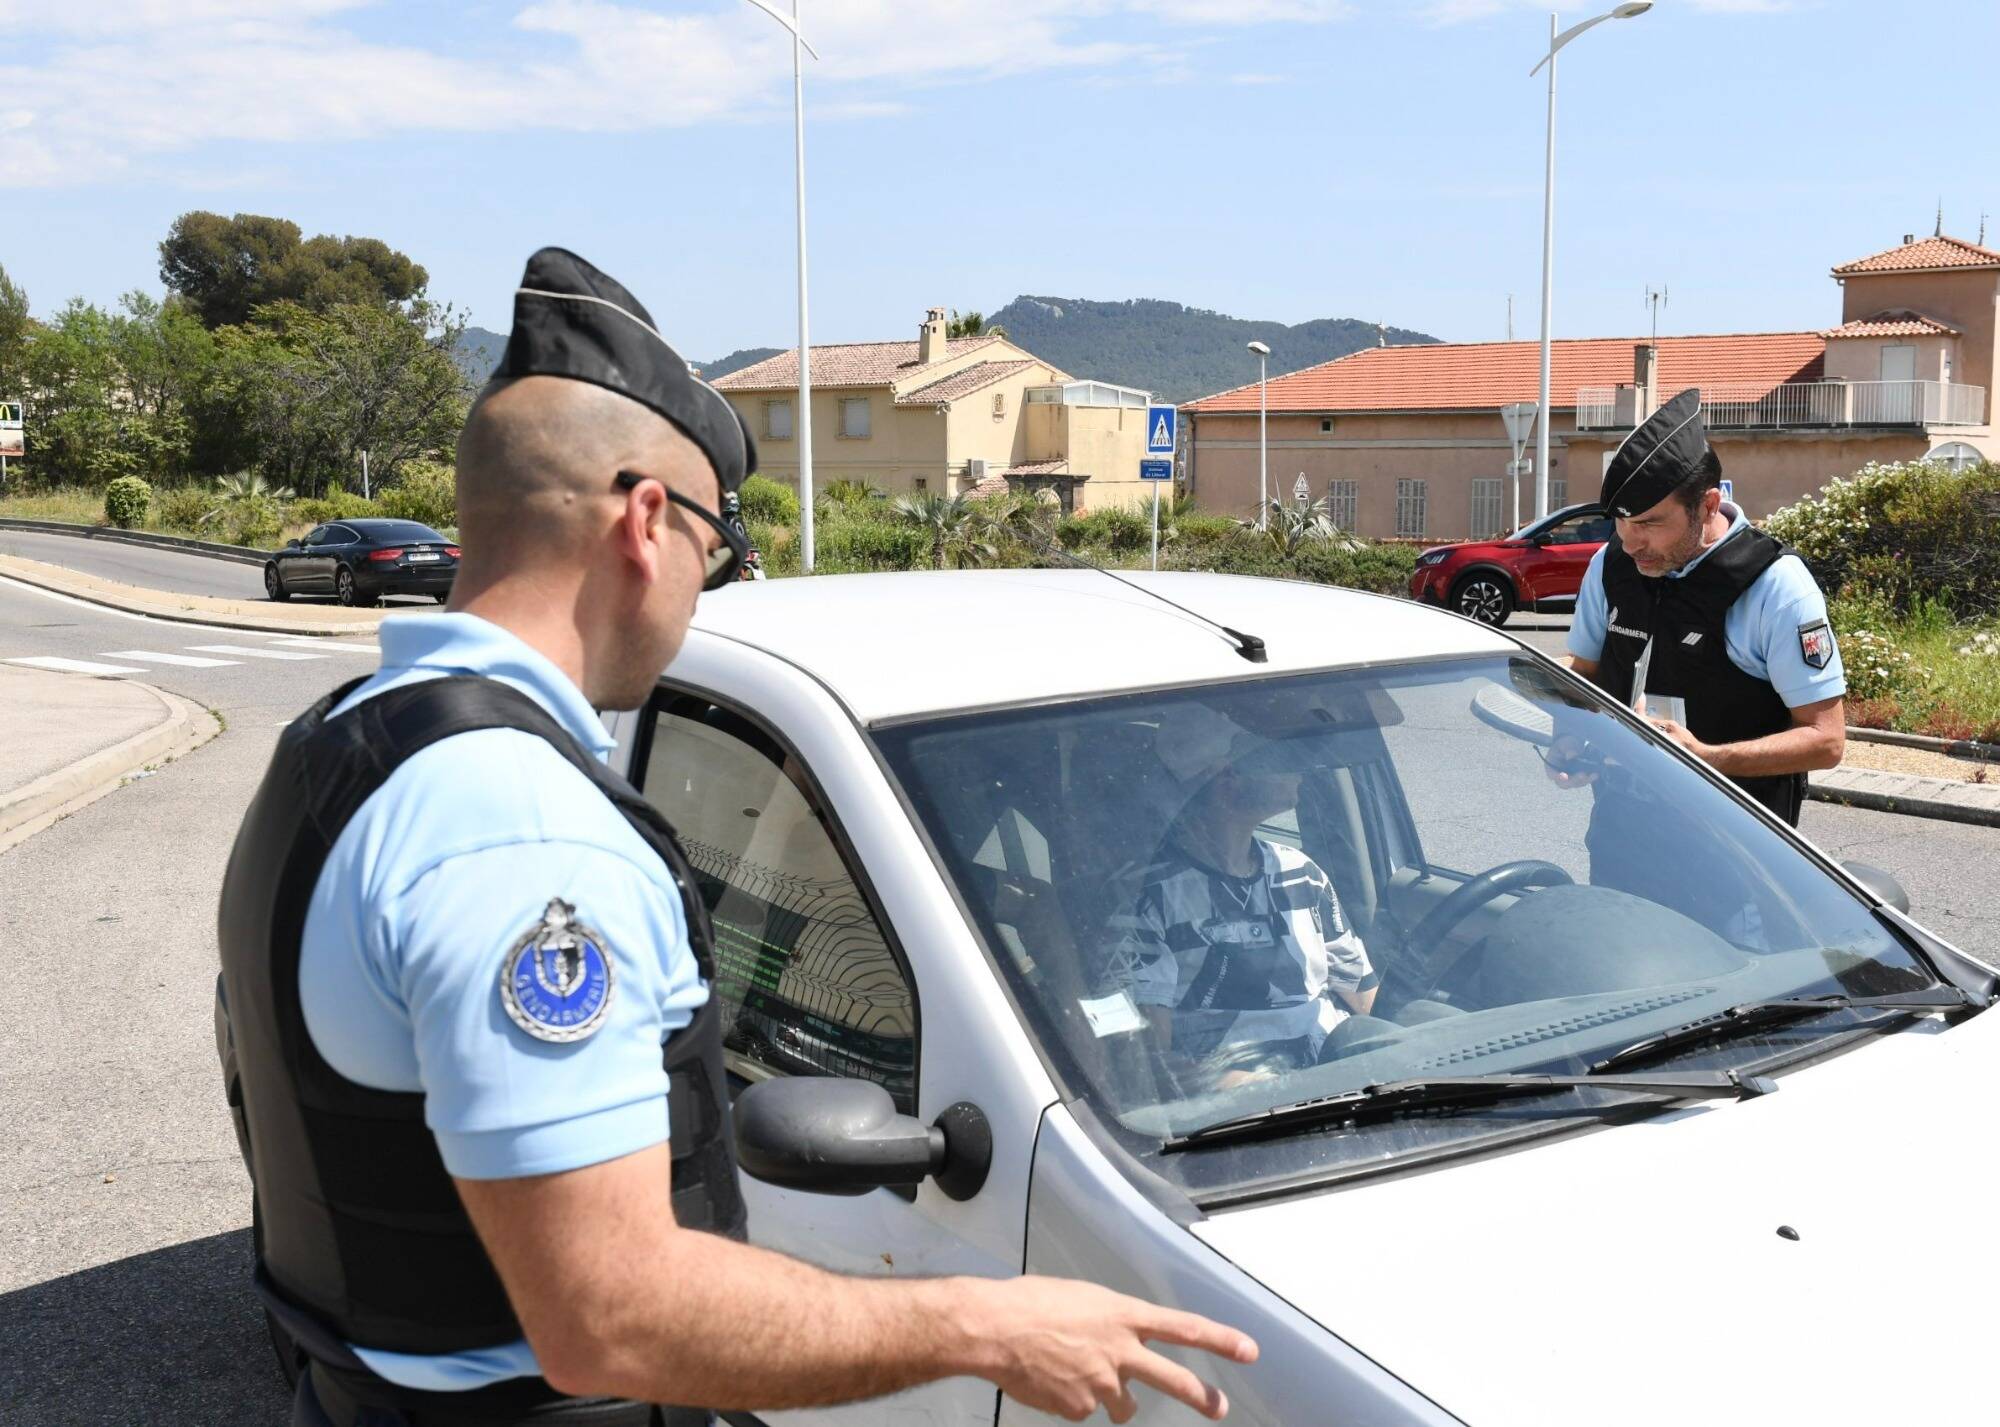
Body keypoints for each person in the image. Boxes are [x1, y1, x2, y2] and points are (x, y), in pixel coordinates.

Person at [216, 248, 1256, 1427]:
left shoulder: (348, 737)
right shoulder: (528, 838)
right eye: (713, 553)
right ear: (646, 521)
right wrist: (986, 1322)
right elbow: (608, 1312)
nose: (701, 591)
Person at [1556, 386, 1846, 827]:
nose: (1631, 542)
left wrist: (1707, 758)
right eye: (1620, 523)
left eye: (1650, 523)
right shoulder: (1609, 564)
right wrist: (1568, 740)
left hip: (1741, 851)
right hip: (1622, 830)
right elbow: (1585, 673)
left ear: (1707, 505)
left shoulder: (1774, 584)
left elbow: (1826, 741)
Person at [1094, 708, 1388, 1091]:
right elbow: (1157, 1067)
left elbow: (1367, 999)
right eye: (1281, 756)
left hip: (1349, 1080)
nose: (1301, 766)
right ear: (1226, 780)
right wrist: (1286, 1091)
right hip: (1252, 1107)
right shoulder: (1149, 896)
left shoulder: (1300, 871)